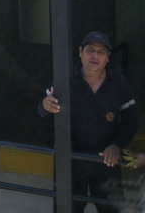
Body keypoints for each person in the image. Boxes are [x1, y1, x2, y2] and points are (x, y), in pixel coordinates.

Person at [38, 31, 137, 212]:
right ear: (80, 52)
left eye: (101, 52)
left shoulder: (119, 83)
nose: (95, 56)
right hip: (70, 161)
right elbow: (44, 113)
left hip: (107, 162)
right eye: (90, 50)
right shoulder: (64, 80)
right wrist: (45, 105)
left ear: (108, 58)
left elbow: (130, 121)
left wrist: (116, 145)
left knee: (112, 209)